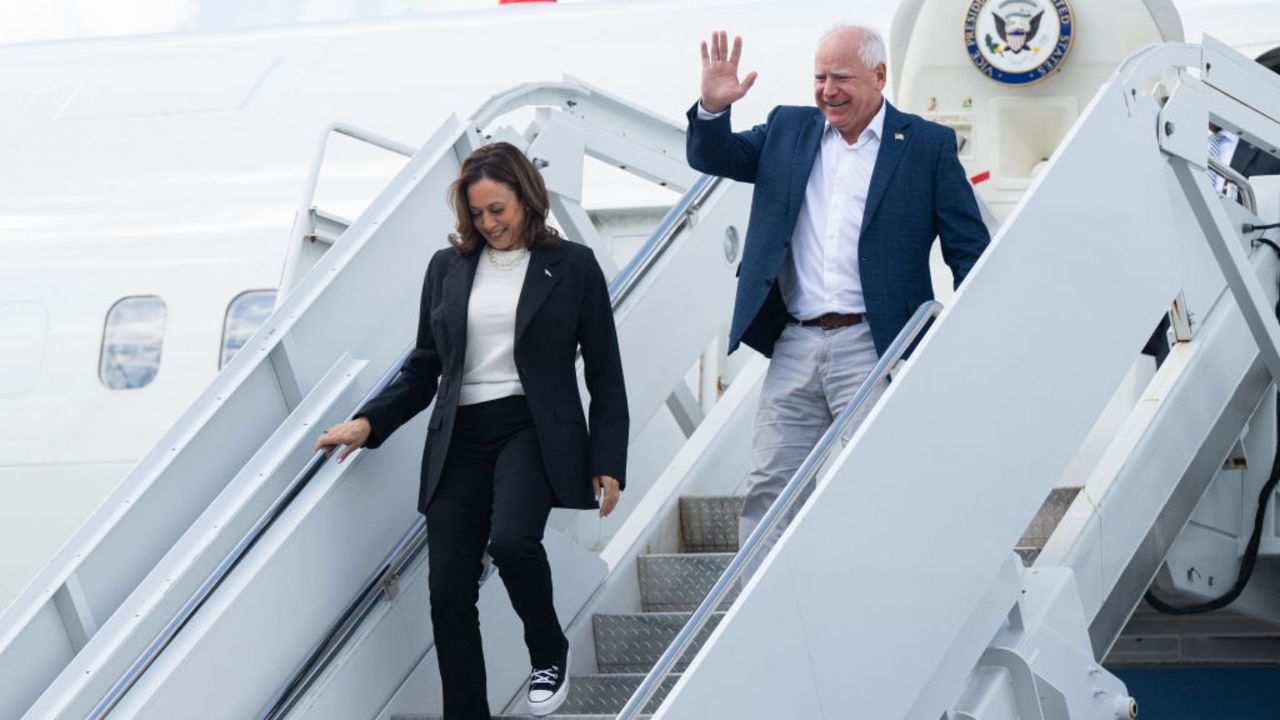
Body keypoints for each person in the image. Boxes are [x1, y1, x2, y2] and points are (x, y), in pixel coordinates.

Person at [314, 141, 628, 719]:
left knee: (511, 540)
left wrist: (607, 459)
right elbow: (425, 365)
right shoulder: (448, 267)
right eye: (477, 213)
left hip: (531, 428)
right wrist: (367, 422)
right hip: (460, 435)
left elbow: (607, 374)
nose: (488, 224)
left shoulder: (575, 266)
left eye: (498, 210)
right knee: (447, 590)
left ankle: (548, 649)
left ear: (527, 199)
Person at [686, 27, 989, 563]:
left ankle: (883, 600)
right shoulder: (787, 129)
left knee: (879, 482)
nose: (827, 90)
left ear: (879, 77)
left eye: (841, 77)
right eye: (820, 77)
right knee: (769, 487)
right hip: (794, 343)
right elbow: (716, 157)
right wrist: (711, 109)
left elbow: (970, 251)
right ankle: (761, 619)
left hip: (876, 345)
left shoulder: (927, 146)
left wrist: (964, 341)